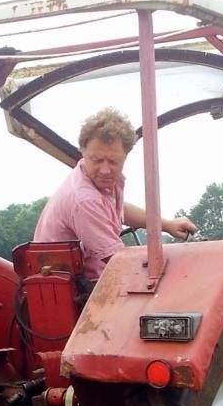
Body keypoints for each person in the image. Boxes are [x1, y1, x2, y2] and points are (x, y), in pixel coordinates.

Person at [33, 108, 197, 280]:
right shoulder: (84, 199)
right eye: (96, 160)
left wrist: (166, 224)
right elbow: (118, 262)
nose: (105, 170)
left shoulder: (102, 183)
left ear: (125, 155)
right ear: (82, 150)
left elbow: (119, 210)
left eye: (113, 161)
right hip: (73, 292)